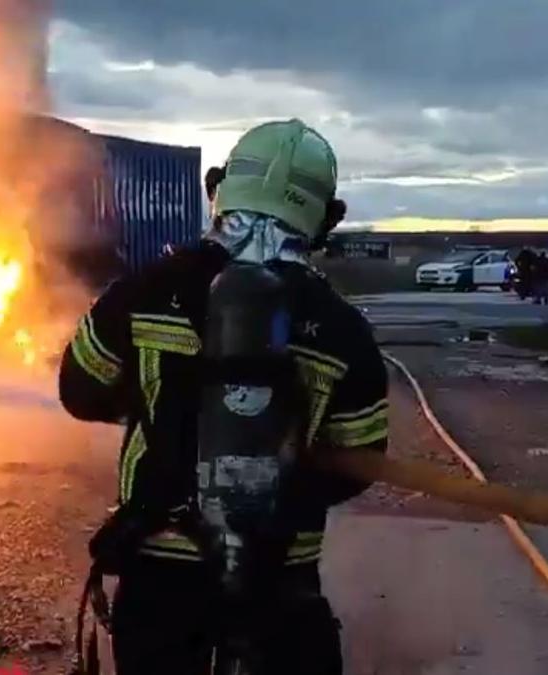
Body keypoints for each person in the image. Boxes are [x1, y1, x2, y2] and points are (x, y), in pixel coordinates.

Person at [60, 119, 388, 675]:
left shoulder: (143, 292)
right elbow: (360, 461)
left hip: (160, 567)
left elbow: (80, 393)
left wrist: (155, 405)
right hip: (279, 573)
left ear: (218, 189)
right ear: (328, 218)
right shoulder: (342, 330)